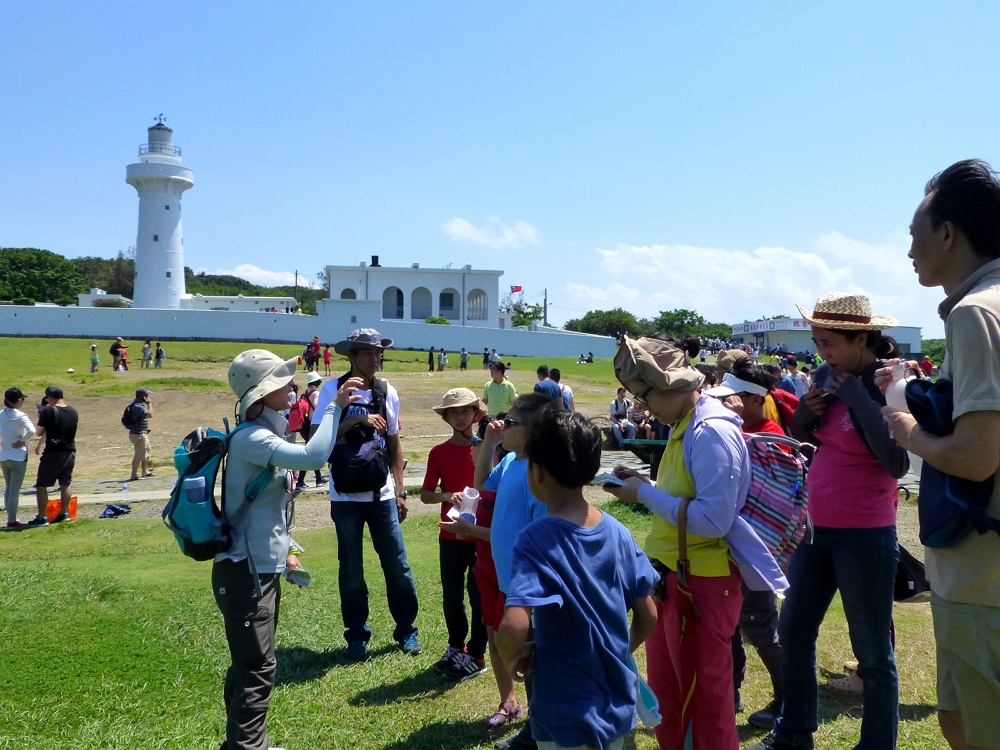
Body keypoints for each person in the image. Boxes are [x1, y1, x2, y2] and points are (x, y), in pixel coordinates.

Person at [604, 336, 786, 750]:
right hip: (677, 580)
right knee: (670, 695)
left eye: (645, 396)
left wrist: (644, 495)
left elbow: (713, 520)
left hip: (701, 584)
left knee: (704, 701)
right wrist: (644, 485)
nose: (642, 408)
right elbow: (692, 498)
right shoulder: (686, 423)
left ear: (668, 386)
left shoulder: (709, 431)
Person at [749, 292, 908, 750]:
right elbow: (807, 443)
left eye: (829, 343)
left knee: (873, 651)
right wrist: (804, 416)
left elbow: (896, 462)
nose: (822, 354)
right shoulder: (824, 375)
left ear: (861, 339)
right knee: (793, 631)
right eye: (817, 343)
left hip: (866, 532)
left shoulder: (889, 383)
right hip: (815, 528)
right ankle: (794, 735)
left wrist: (857, 395)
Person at [878, 159, 1000, 750]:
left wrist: (907, 429)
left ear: (948, 232)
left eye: (913, 233)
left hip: (983, 580)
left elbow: (977, 458)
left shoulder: (979, 313)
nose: (909, 250)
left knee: (975, 727)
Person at [215, 348, 362, 750]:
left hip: (256, 569)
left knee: (252, 664)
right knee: (257, 668)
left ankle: (244, 745)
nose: (291, 387)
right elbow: (315, 454)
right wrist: (334, 409)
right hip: (246, 573)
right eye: (282, 383)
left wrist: (289, 549)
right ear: (261, 395)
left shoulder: (260, 435)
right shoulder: (253, 438)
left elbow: (268, 509)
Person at [497, 406, 658, 750]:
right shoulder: (619, 533)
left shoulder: (535, 539)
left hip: (562, 713)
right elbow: (649, 615)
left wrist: (511, 657)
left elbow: (513, 627)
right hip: (617, 709)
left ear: (536, 473)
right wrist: (616, 652)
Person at [313, 328, 420, 660]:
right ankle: (356, 636)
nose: (375, 359)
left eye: (378, 354)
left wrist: (401, 490)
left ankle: (407, 631)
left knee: (397, 565)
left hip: (383, 493)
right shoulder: (332, 389)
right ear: (352, 357)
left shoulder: (387, 391)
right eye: (367, 353)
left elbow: (394, 442)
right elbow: (317, 438)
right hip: (344, 496)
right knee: (351, 568)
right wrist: (352, 418)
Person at [705, 362, 786, 728]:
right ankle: (730, 695)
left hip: (753, 551)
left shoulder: (766, 437)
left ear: (754, 399)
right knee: (731, 627)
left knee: (760, 626)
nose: (723, 402)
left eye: (731, 396)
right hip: (733, 547)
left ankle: (788, 699)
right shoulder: (743, 429)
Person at [474, 392, 553, 750]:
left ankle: (539, 733)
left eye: (509, 423)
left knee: (539, 661)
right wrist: (490, 442)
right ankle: (538, 728)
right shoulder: (509, 464)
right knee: (532, 660)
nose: (502, 426)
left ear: (532, 430)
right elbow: (481, 482)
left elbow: (543, 535)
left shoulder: (537, 474)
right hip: (512, 584)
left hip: (531, 588)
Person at [440, 415, 525, 728]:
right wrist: (463, 523)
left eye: (476, 443)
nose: (472, 450)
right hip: (485, 571)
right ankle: (508, 701)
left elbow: (509, 532)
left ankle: (535, 707)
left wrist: (471, 530)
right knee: (492, 634)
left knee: (514, 638)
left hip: (508, 571)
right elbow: (471, 525)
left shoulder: (509, 481)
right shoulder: (478, 488)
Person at [420, 388, 488, 682]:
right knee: (451, 595)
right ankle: (455, 646)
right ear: (446, 417)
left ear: (476, 413)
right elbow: (425, 495)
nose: (460, 417)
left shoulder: (489, 450)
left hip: (480, 534)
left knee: (479, 594)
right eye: (454, 412)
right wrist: (449, 495)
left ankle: (477, 653)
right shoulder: (438, 452)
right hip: (449, 534)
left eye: (466, 411)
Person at [27, 385, 79, 527]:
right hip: (70, 450)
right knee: (65, 483)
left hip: (53, 452)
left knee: (42, 485)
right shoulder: (73, 411)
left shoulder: (48, 412)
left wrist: (41, 416)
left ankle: (42, 517)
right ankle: (64, 513)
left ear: (49, 397)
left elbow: (38, 432)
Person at [1, 387, 35, 530]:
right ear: (19, 401)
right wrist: (22, 440)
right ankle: (11, 520)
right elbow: (32, 431)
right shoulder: (21, 416)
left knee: (8, 488)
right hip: (18, 455)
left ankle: (11, 517)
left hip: (4, 454)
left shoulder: (1, 415)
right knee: (14, 489)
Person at [294, 372, 326, 491]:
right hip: (312, 426)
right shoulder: (315, 393)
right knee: (311, 452)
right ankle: (301, 481)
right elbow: (318, 407)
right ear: (317, 382)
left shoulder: (304, 394)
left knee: (312, 450)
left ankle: (318, 478)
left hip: (303, 426)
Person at [125, 388, 154, 481]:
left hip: (141, 433)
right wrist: (149, 404)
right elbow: (150, 415)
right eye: (146, 396)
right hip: (138, 435)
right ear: (142, 396)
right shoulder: (137, 406)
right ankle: (133, 475)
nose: (148, 397)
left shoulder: (137, 405)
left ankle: (144, 471)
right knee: (138, 455)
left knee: (145, 452)